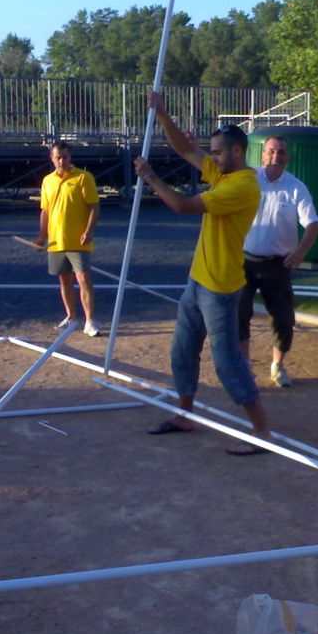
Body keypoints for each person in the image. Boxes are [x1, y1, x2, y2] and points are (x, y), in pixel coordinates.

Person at [134, 92, 272, 456]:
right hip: (197, 281)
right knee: (182, 352)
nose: (210, 157)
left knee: (227, 361)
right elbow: (185, 151)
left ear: (237, 152)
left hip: (221, 288)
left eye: (217, 152)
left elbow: (181, 206)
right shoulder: (222, 174)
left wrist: (149, 177)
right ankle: (184, 414)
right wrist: (163, 114)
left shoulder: (242, 186)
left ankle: (261, 430)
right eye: (211, 152)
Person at [239, 135, 318, 387]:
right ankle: (245, 367)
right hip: (244, 262)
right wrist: (188, 146)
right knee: (239, 314)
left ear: (288, 157)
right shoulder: (249, 177)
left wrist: (300, 252)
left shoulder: (296, 187)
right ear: (262, 154)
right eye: (271, 152)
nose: (276, 157)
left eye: (281, 152)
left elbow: (313, 223)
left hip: (278, 265)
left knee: (284, 318)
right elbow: (215, 164)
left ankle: (277, 365)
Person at [34, 140, 101, 336]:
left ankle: (89, 321)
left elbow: (94, 206)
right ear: (52, 159)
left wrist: (89, 231)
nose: (62, 161)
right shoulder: (47, 181)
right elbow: (45, 210)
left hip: (78, 240)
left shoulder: (83, 177)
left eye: (65, 157)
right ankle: (71, 317)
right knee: (64, 280)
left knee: (83, 278)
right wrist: (41, 236)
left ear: (70, 157)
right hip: (56, 242)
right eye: (58, 158)